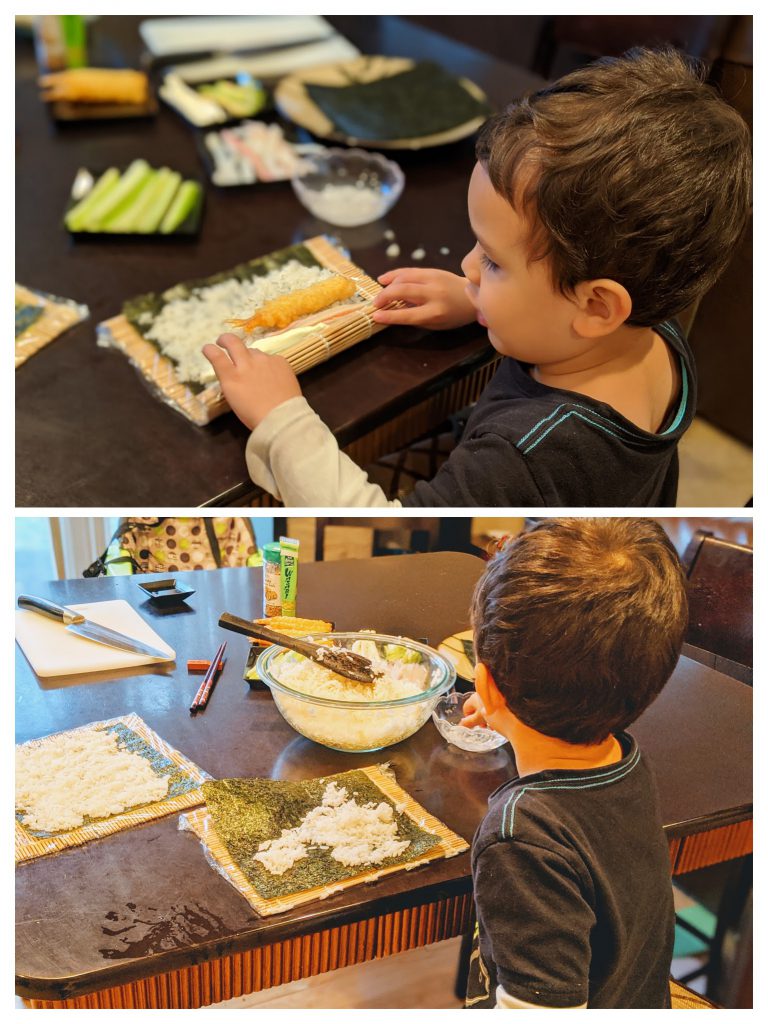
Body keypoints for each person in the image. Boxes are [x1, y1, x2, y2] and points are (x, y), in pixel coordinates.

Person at [203, 48, 751, 507]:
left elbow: (372, 513)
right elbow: (551, 313)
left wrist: (283, 419)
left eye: (491, 261)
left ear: (597, 307)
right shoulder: (652, 328)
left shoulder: (526, 459)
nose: (466, 266)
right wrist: (476, 299)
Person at [460, 518, 688, 1008]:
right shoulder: (621, 755)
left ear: (484, 682)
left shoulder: (522, 836)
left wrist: (502, 706)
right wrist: (502, 713)